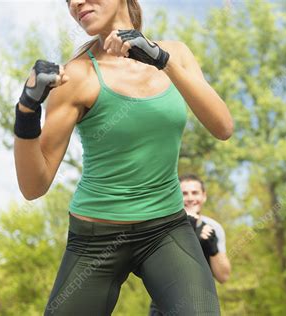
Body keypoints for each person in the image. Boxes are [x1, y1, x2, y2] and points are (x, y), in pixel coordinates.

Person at [13, 0, 233, 315]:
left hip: (166, 228)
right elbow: (34, 185)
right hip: (96, 240)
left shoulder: (176, 54)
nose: (75, 2)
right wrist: (27, 110)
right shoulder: (77, 76)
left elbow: (223, 126)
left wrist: (161, 60)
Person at [148, 174, 231, 315]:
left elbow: (224, 276)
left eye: (195, 193)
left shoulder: (213, 227)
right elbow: (157, 272)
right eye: (184, 193)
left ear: (204, 196)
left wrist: (213, 249)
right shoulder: (162, 225)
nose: (190, 198)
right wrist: (186, 234)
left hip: (202, 303)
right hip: (165, 306)